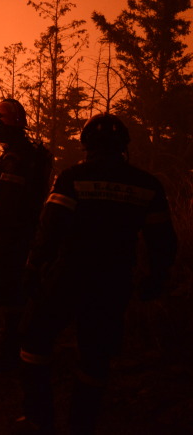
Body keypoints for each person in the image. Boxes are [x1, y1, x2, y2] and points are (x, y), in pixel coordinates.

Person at [18, 114, 177, 433]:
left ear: (86, 144)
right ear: (124, 147)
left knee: (35, 341)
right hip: (114, 281)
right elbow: (163, 241)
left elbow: (51, 229)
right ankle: (82, 423)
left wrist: (33, 266)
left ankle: (39, 417)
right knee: (95, 355)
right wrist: (156, 278)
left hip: (70, 275)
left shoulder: (73, 177)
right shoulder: (147, 186)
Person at [0, 98, 52, 371]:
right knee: (20, 290)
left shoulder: (17, 157)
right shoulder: (31, 152)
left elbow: (7, 203)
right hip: (29, 230)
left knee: (10, 292)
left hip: (12, 235)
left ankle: (12, 353)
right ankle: (19, 348)